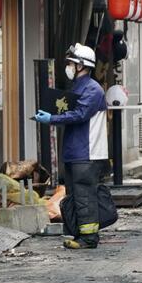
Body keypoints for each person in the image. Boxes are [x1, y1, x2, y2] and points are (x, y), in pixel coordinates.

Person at [34, 44, 108, 250]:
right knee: (76, 195)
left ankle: (89, 238)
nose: (68, 67)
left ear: (82, 66)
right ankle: (79, 234)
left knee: (84, 196)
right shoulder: (80, 87)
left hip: (87, 152)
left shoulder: (92, 89)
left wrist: (52, 118)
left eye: (71, 63)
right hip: (77, 152)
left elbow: (79, 114)